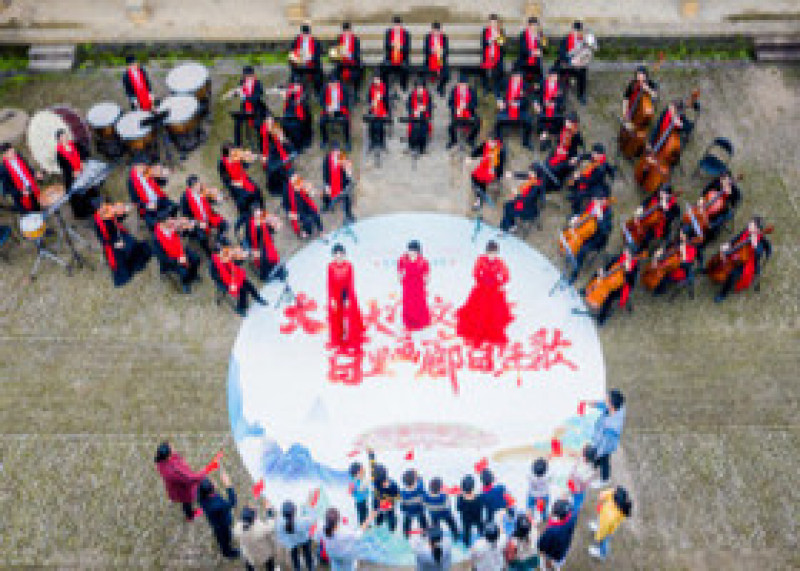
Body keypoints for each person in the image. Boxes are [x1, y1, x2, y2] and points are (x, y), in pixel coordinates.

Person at [456, 241, 513, 347]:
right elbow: (475, 271)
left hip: (494, 289)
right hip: (482, 287)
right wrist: (479, 279)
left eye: (494, 253)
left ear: (497, 253)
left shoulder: (500, 262)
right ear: (486, 252)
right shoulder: (481, 260)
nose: (492, 255)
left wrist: (500, 282)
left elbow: (506, 275)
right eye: (490, 253)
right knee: (478, 309)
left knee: (493, 310)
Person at [713, 216, 772, 303]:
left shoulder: (761, 241)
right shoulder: (747, 231)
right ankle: (712, 269)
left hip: (746, 262)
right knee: (721, 254)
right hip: (738, 254)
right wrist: (729, 244)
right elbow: (737, 237)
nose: (748, 225)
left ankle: (723, 294)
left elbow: (758, 255)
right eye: (750, 223)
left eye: (751, 225)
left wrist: (755, 246)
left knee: (732, 274)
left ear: (757, 229)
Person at [93, 201, 151, 287]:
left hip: (120, 232)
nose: (103, 208)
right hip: (111, 241)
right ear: (97, 211)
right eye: (100, 208)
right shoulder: (97, 223)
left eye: (103, 206)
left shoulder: (109, 209)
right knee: (120, 255)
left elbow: (118, 218)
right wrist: (115, 244)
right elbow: (103, 239)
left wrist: (125, 211)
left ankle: (137, 261)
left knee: (131, 243)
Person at [585, 246, 639, 325]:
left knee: (610, 297)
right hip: (609, 278)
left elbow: (631, 282)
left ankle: (602, 317)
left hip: (620, 286)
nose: (624, 253)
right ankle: (587, 289)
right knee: (596, 275)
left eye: (627, 252)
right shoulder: (620, 257)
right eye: (625, 251)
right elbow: (609, 264)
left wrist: (628, 271)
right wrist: (603, 270)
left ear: (631, 255)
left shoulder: (634, 267)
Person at [566, 196, 613, 285]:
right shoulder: (594, 205)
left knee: (582, 250)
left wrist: (600, 218)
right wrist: (576, 217)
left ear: (606, 201)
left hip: (596, 239)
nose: (599, 202)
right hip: (585, 232)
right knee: (570, 229)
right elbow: (583, 213)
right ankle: (569, 253)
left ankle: (574, 274)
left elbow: (605, 231)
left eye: (602, 200)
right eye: (598, 200)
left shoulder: (608, 215)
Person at [153, 442, 205, 522]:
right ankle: (190, 516)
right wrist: (203, 473)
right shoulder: (174, 471)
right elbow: (189, 479)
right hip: (182, 489)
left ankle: (182, 506)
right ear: (168, 456)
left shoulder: (160, 462)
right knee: (186, 502)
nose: (173, 447)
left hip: (174, 487)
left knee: (183, 499)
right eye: (171, 448)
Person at [685, 171, 742, 243]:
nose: (723, 183)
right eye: (722, 180)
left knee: (713, 224)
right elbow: (705, 190)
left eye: (726, 180)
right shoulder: (716, 182)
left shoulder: (734, 191)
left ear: (730, 179)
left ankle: (708, 236)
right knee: (693, 213)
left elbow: (733, 206)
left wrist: (729, 195)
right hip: (704, 205)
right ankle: (687, 229)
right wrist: (701, 199)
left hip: (722, 212)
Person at [210, 246, 268, 316]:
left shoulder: (225, 254)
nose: (221, 253)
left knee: (248, 284)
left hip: (235, 275)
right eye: (219, 252)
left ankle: (257, 297)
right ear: (215, 253)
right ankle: (241, 308)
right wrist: (226, 278)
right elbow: (215, 277)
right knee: (242, 290)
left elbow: (235, 261)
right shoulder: (213, 264)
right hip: (226, 282)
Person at [327, 243, 366, 349]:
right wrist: (332, 298)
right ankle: (338, 334)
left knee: (351, 313)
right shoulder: (330, 267)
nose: (338, 258)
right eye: (336, 255)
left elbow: (350, 283)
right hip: (335, 293)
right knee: (336, 313)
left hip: (347, 292)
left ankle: (352, 334)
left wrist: (348, 298)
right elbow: (330, 283)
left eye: (341, 255)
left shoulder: (349, 266)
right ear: (333, 256)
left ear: (344, 255)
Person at [197, 468, 240, 559]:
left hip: (214, 520)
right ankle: (227, 552)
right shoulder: (217, 505)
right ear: (211, 490)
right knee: (225, 537)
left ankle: (224, 544)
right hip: (222, 524)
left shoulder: (200, 495)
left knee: (220, 534)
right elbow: (232, 502)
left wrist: (204, 474)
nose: (214, 481)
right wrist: (228, 486)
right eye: (212, 482)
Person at [181, 174, 229, 255]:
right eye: (195, 186)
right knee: (202, 237)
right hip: (197, 221)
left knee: (224, 224)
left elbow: (211, 200)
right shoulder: (185, 199)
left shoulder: (203, 190)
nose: (198, 187)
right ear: (190, 188)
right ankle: (209, 252)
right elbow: (186, 216)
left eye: (198, 184)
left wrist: (219, 199)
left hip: (209, 215)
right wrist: (197, 223)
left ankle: (219, 239)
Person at [316, 506, 376, 571]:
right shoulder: (345, 533)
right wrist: (369, 518)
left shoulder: (321, 530)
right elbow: (360, 532)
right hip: (347, 559)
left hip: (334, 557)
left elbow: (319, 538)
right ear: (338, 521)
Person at [589, 389, 626, 486]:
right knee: (599, 457)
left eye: (606, 399)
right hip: (603, 440)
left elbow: (605, 445)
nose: (604, 400)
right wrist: (596, 404)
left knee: (603, 460)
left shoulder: (611, 426)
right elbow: (605, 405)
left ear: (611, 405)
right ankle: (595, 464)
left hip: (606, 446)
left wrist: (597, 453)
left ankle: (605, 479)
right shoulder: (618, 407)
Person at [153, 217, 202, 293]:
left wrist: (188, 227)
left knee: (196, 259)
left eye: (171, 218)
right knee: (183, 271)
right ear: (162, 223)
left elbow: (184, 232)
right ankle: (185, 283)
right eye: (169, 220)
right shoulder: (157, 239)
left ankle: (193, 275)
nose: (172, 221)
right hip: (172, 258)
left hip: (181, 250)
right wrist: (177, 260)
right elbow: (162, 257)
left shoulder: (172, 226)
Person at [55, 129, 94, 218]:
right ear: (59, 140)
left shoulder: (74, 144)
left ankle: (89, 206)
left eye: (65, 135)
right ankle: (81, 214)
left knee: (87, 189)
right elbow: (63, 167)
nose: (65, 138)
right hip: (72, 176)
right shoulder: (59, 153)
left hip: (82, 171)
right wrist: (72, 172)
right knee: (77, 195)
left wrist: (83, 161)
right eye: (62, 137)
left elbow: (85, 152)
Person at [219, 143, 265, 217]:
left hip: (243, 177)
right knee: (244, 199)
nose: (234, 152)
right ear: (227, 154)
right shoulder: (222, 163)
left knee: (257, 192)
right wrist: (233, 183)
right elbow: (225, 178)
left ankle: (261, 209)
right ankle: (247, 215)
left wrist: (256, 157)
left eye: (234, 150)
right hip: (235, 183)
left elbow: (246, 162)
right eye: (232, 151)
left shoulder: (237, 155)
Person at [629, 185, 680, 252]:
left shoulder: (674, 206)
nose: (661, 196)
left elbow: (674, 216)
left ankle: (640, 249)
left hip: (660, 227)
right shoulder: (656, 196)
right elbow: (647, 201)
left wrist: (666, 211)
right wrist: (641, 207)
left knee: (647, 236)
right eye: (661, 193)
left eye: (664, 194)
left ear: (668, 195)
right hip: (647, 218)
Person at [588, 486, 633, 561]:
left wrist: (597, 538)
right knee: (601, 526)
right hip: (604, 519)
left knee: (604, 541)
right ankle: (597, 528)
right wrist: (603, 497)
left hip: (607, 529)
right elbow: (607, 493)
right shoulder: (618, 501)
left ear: (616, 501)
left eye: (615, 492)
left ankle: (602, 554)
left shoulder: (611, 515)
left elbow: (603, 529)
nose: (613, 491)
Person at [540, 112, 583, 191]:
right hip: (558, 150)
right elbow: (552, 126)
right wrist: (546, 132)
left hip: (567, 156)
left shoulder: (576, 135)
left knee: (554, 169)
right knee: (546, 164)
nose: (567, 124)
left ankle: (552, 185)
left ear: (574, 124)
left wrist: (574, 157)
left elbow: (578, 149)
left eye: (569, 123)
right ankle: (543, 180)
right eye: (567, 122)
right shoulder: (562, 124)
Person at [128, 161, 177, 229]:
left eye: (144, 165)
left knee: (174, 206)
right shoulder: (131, 181)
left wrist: (162, 176)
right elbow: (135, 201)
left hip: (158, 199)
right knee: (153, 223)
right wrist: (146, 205)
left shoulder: (149, 172)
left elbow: (162, 184)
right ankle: (162, 227)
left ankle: (171, 223)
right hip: (147, 205)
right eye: (141, 166)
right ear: (135, 167)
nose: (144, 168)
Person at [566, 143, 612, 215]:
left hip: (594, 186)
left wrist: (578, 178)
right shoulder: (594, 157)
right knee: (571, 180)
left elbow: (590, 180)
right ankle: (573, 194)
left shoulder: (600, 168)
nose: (592, 155)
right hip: (587, 177)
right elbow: (586, 155)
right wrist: (577, 158)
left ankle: (576, 212)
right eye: (593, 152)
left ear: (600, 155)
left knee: (579, 195)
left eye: (595, 153)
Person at [233, 497, 278, 571]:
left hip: (249, 553)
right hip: (264, 554)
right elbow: (272, 525)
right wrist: (269, 510)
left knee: (249, 563)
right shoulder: (261, 528)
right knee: (270, 565)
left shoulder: (237, 528)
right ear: (254, 518)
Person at [651, 228, 698, 296]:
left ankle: (662, 289)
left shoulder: (692, 249)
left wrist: (683, 251)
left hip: (679, 270)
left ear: (687, 237)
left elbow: (687, 262)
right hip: (670, 261)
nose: (680, 235)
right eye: (680, 234)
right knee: (659, 264)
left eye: (682, 234)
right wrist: (661, 251)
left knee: (663, 275)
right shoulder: (678, 242)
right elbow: (669, 247)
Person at [397, 240, 431, 331]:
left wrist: (425, 280)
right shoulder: (403, 260)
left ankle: (420, 321)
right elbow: (400, 270)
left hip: (418, 285)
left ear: (418, 252)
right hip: (408, 284)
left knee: (419, 302)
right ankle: (409, 321)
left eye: (414, 251)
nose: (412, 253)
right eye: (410, 250)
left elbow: (426, 274)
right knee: (408, 302)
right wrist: (400, 277)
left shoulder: (423, 261)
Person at [495, 71, 533, 149]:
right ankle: (499, 140)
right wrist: (499, 100)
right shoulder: (505, 82)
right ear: (512, 77)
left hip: (520, 109)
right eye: (515, 77)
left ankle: (526, 142)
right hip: (507, 107)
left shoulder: (525, 85)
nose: (517, 79)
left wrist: (520, 102)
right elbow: (496, 88)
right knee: (498, 120)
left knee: (529, 121)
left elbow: (529, 99)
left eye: (519, 78)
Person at [500, 167, 545, 232]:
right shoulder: (533, 179)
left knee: (510, 209)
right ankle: (508, 226)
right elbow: (523, 175)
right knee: (508, 205)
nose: (530, 173)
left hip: (529, 208)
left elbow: (529, 199)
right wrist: (512, 174)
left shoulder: (537, 185)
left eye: (532, 172)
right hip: (523, 202)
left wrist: (516, 196)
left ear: (537, 174)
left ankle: (506, 228)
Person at [0, 143, 42, 212]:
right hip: (22, 198)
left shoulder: (19, 157)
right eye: (10, 153)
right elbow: (7, 189)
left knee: (38, 207)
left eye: (13, 151)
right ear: (4, 155)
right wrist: (21, 192)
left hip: (32, 187)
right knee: (31, 213)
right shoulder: (3, 170)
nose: (14, 154)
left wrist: (35, 173)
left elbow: (28, 168)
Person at [259, 116, 295, 197]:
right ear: (265, 123)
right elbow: (264, 147)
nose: (270, 124)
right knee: (276, 168)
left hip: (279, 151)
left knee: (284, 164)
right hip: (273, 155)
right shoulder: (264, 133)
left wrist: (283, 140)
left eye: (271, 122)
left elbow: (284, 141)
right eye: (268, 123)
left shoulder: (276, 129)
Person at [243, 207, 282, 282]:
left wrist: (272, 227)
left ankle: (277, 269)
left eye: (259, 212)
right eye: (256, 213)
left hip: (266, 242)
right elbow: (249, 237)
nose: (258, 215)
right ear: (253, 214)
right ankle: (265, 274)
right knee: (264, 257)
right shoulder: (250, 223)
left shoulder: (263, 219)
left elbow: (270, 229)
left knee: (271, 253)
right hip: (257, 244)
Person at [232, 66, 267, 147]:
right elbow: (240, 92)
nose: (246, 78)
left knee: (258, 125)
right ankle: (237, 145)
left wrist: (245, 97)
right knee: (237, 122)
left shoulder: (258, 84)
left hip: (256, 109)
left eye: (248, 76)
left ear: (253, 75)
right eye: (245, 76)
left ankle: (261, 145)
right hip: (245, 109)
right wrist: (235, 93)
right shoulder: (242, 82)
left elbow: (256, 98)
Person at [276, 499, 316, 570]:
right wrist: (309, 507)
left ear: (282, 513)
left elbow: (280, 538)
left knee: (295, 558)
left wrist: (289, 543)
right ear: (294, 511)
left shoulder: (279, 524)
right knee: (307, 555)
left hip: (291, 542)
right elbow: (313, 519)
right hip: (304, 539)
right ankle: (310, 567)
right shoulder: (302, 521)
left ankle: (297, 568)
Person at [537, 499, 577, 570]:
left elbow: (541, 546)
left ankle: (548, 568)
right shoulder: (572, 517)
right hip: (563, 550)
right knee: (558, 563)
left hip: (552, 555)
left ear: (556, 515)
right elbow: (572, 510)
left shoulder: (551, 530)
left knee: (548, 564)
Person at [467, 137, 505, 209]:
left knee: (481, 180)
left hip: (491, 169)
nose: (490, 143)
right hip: (484, 165)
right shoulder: (486, 144)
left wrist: (497, 176)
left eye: (493, 143)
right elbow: (478, 150)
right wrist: (471, 157)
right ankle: (479, 193)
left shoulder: (499, 152)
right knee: (474, 176)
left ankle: (479, 199)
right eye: (490, 142)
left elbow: (500, 165)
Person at [557, 21, 589, 105]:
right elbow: (561, 53)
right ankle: (561, 93)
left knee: (583, 71)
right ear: (572, 30)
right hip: (567, 63)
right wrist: (570, 61)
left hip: (579, 65)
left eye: (578, 31)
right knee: (561, 69)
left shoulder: (583, 41)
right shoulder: (566, 39)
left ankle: (581, 94)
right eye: (575, 30)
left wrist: (581, 60)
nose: (576, 33)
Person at [535, 68, 567, 150]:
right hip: (543, 107)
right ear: (548, 76)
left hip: (555, 109)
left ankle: (546, 135)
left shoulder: (560, 86)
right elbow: (537, 96)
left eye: (556, 77)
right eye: (552, 76)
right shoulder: (542, 84)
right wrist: (537, 104)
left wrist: (555, 104)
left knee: (559, 119)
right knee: (541, 117)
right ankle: (544, 136)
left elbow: (562, 101)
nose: (554, 78)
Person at [368, 449, 399, 532]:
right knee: (380, 517)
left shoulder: (392, 485)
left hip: (387, 503)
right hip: (379, 502)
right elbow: (372, 466)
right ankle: (381, 525)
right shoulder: (376, 480)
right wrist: (371, 455)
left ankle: (391, 528)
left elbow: (398, 497)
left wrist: (371, 455)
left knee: (390, 516)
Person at [284, 174, 322, 239]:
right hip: (297, 209)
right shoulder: (287, 191)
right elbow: (285, 204)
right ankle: (308, 231)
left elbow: (312, 193)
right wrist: (289, 212)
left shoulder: (303, 185)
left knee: (316, 215)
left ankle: (320, 229)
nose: (298, 187)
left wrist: (310, 191)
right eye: (296, 184)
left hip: (306, 205)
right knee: (307, 221)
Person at [323, 144, 354, 222]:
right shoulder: (327, 159)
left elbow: (348, 170)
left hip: (342, 182)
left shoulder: (342, 157)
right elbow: (325, 172)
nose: (338, 153)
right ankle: (327, 206)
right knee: (326, 193)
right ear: (332, 152)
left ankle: (349, 215)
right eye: (335, 151)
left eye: (338, 151)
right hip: (332, 182)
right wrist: (326, 185)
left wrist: (348, 172)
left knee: (346, 198)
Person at [446, 74, 479, 149]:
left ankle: (470, 140)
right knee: (451, 127)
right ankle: (453, 140)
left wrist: (467, 106)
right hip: (457, 113)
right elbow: (450, 103)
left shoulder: (472, 91)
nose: (463, 86)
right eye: (461, 84)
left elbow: (475, 103)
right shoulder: (454, 91)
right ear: (458, 84)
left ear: (467, 84)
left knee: (477, 123)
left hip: (469, 112)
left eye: (464, 84)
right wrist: (456, 109)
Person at [320, 76, 351, 151]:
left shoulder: (343, 88)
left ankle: (347, 141)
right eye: (331, 84)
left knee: (346, 122)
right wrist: (327, 107)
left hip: (340, 110)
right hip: (328, 110)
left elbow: (346, 101)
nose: (333, 86)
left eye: (335, 84)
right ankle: (325, 140)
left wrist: (337, 108)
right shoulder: (325, 88)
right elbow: (321, 101)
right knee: (321, 122)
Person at [290, 23, 323, 94]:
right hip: (299, 64)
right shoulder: (296, 41)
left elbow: (319, 53)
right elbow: (292, 52)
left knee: (319, 73)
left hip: (311, 65)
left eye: (306, 34)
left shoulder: (314, 41)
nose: (305, 35)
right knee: (294, 72)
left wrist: (312, 58)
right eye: (304, 34)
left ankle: (318, 91)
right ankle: (295, 90)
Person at [333, 22, 363, 101]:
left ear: (350, 30)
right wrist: (341, 57)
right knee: (334, 73)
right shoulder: (339, 39)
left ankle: (356, 92)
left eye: (348, 31)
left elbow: (358, 52)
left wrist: (352, 57)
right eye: (345, 31)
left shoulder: (355, 39)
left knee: (360, 71)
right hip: (342, 63)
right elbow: (335, 53)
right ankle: (338, 93)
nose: (346, 33)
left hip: (352, 62)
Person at [280, 82, 312, 152]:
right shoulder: (290, 91)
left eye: (297, 85)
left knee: (297, 129)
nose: (295, 87)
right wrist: (285, 96)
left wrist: (288, 98)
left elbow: (297, 104)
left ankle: (299, 146)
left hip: (299, 116)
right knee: (286, 126)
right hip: (291, 115)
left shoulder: (302, 94)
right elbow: (287, 107)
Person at [383, 16, 411, 91]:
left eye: (398, 25)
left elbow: (407, 48)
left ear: (401, 25)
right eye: (395, 25)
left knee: (405, 67)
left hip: (403, 57)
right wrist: (392, 46)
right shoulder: (389, 33)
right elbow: (386, 46)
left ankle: (403, 86)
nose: (397, 27)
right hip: (390, 57)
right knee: (383, 67)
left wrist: (401, 47)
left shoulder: (406, 33)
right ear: (393, 25)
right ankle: (386, 87)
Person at [566, 445, 597, 514]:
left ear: (585, 457)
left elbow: (584, 481)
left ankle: (575, 511)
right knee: (573, 496)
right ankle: (574, 505)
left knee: (577, 500)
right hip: (573, 484)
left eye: (583, 453)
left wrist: (575, 476)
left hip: (578, 488)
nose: (581, 454)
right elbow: (578, 457)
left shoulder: (589, 470)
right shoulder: (584, 460)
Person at [515, 17, 545, 87]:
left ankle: (536, 89)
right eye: (533, 26)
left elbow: (544, 48)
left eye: (536, 26)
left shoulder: (541, 35)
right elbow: (522, 49)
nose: (534, 28)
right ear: (528, 26)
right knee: (524, 81)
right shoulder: (523, 36)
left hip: (536, 63)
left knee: (540, 82)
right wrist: (533, 53)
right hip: (524, 62)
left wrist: (541, 48)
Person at [480, 14, 505, 97]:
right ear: (489, 23)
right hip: (488, 55)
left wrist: (498, 39)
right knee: (485, 72)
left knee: (498, 71)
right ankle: (486, 88)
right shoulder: (485, 31)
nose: (493, 24)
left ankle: (496, 88)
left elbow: (502, 45)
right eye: (491, 23)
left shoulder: (500, 31)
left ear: (497, 23)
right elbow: (483, 44)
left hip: (497, 56)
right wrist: (490, 40)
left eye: (495, 23)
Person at [456, 474, 484, 547]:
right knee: (480, 528)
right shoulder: (479, 497)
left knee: (466, 531)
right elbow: (481, 507)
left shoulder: (460, 498)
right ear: (473, 487)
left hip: (466, 518)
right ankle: (483, 538)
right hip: (477, 517)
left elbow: (458, 509)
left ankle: (467, 543)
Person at [400, 469, 429, 537]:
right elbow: (425, 496)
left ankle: (406, 535)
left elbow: (402, 505)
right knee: (423, 522)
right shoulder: (420, 487)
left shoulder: (403, 493)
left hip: (409, 512)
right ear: (415, 480)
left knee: (407, 523)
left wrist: (403, 510)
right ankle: (424, 534)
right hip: (420, 510)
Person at [423, 22, 449, 96]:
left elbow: (446, 50)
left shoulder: (444, 37)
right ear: (432, 30)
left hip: (440, 59)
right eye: (434, 30)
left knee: (446, 74)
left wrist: (442, 51)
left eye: (438, 31)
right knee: (423, 72)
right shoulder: (428, 37)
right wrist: (431, 50)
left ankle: (440, 87)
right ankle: (424, 89)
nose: (436, 32)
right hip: (430, 58)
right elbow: (425, 50)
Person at [407, 81, 433, 155]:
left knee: (423, 130)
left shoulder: (428, 95)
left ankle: (422, 147)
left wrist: (425, 108)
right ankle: (412, 146)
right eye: (418, 88)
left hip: (424, 115)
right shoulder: (412, 95)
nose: (419, 90)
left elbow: (430, 106)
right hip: (414, 115)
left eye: (421, 88)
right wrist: (412, 111)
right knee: (412, 129)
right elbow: (408, 105)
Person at [366, 75, 390, 151]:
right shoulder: (371, 88)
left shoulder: (384, 88)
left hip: (382, 109)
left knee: (381, 126)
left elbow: (387, 101)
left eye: (377, 80)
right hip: (373, 109)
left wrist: (387, 112)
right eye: (374, 80)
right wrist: (371, 103)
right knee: (371, 126)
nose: (376, 82)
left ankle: (382, 142)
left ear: (380, 80)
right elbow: (369, 99)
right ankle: (372, 142)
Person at [527, 457, 551, 523]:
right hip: (544, 496)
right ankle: (544, 518)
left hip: (532, 495)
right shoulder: (547, 477)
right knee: (544, 509)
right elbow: (549, 473)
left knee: (530, 507)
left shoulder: (530, 476)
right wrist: (547, 462)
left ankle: (530, 519)